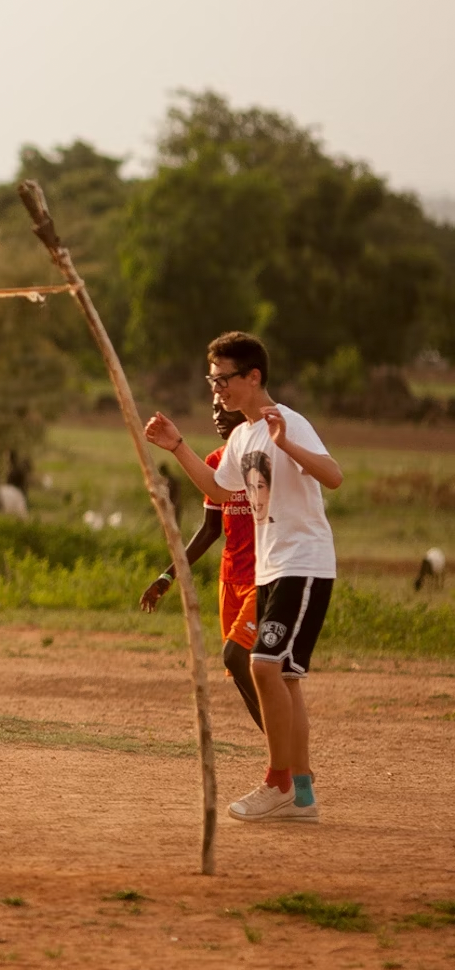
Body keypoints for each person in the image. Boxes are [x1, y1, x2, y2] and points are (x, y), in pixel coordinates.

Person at [145, 331, 343, 824]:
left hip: (303, 562)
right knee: (287, 679)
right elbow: (217, 487)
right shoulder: (241, 435)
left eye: (224, 381)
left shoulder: (287, 422)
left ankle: (276, 781)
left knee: (261, 665)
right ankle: (301, 796)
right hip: (273, 566)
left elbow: (333, 475)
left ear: (253, 377)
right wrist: (177, 447)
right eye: (212, 383)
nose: (218, 392)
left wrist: (287, 445)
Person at [139, 403, 262, 730]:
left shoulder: (262, 460)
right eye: (213, 408)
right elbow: (210, 529)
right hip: (230, 579)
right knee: (240, 671)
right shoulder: (215, 463)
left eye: (224, 407)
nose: (217, 414)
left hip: (264, 578)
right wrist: (168, 575)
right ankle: (281, 755)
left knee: (237, 657)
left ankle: (287, 757)